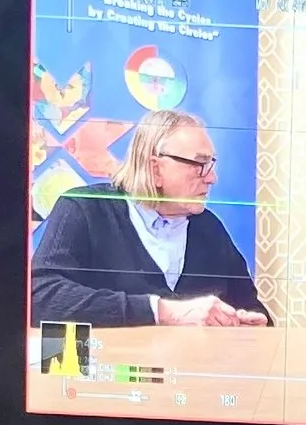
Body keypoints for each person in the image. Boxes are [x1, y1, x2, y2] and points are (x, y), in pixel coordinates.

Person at [30, 105, 271, 328]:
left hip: (188, 372)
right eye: (200, 164)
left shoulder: (208, 227)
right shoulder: (84, 208)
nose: (211, 178)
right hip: (101, 370)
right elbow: (39, 297)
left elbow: (249, 306)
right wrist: (161, 311)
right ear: (155, 168)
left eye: (211, 164)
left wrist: (248, 322)